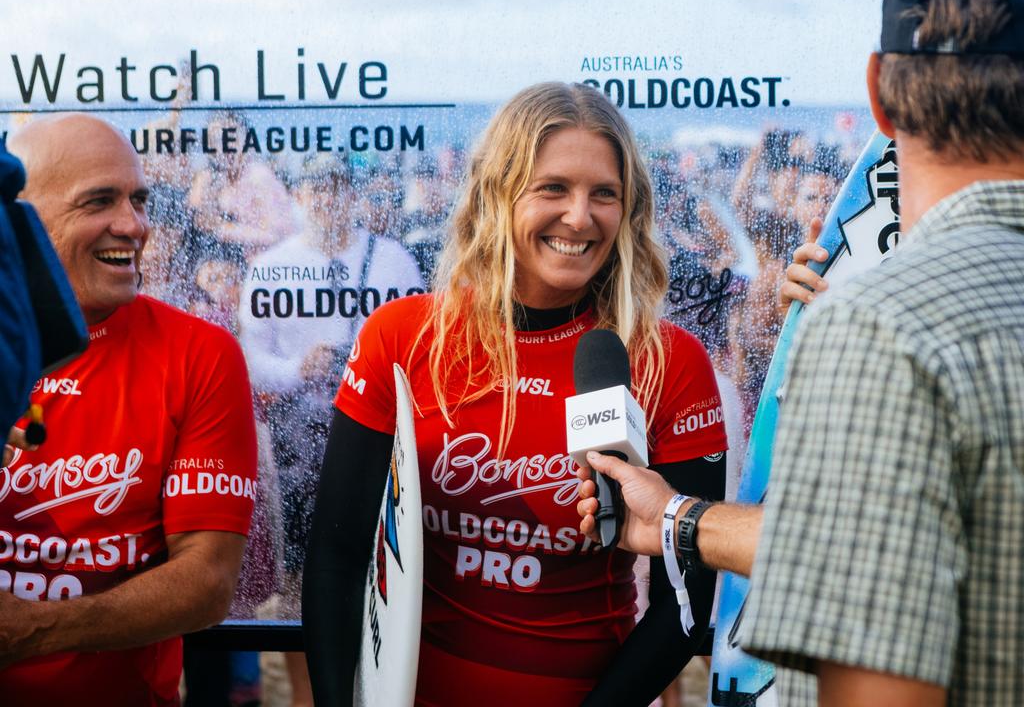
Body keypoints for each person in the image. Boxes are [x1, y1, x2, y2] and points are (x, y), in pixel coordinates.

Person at [578, 0, 1024, 704]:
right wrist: (680, 517)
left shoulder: (881, 328)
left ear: (880, 95)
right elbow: (896, 549)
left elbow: (879, 646)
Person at [302, 82, 728, 706]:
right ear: (497, 195)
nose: (580, 217)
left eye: (604, 194)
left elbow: (686, 604)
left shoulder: (668, 361)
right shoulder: (403, 337)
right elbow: (338, 555)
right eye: (553, 187)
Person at [0, 114, 259, 707]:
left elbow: (208, 582)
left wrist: (35, 630)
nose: (134, 225)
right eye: (99, 201)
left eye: (139, 200)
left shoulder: (199, 353)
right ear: (23, 221)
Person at [240, 151, 423, 705]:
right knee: (301, 581)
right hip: (300, 443)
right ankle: (307, 696)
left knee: (383, 568)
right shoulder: (271, 265)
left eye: (338, 188)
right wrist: (299, 370)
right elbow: (249, 354)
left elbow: (417, 347)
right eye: (317, 188)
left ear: (353, 195)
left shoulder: (392, 261)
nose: (328, 198)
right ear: (298, 197)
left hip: (376, 437)